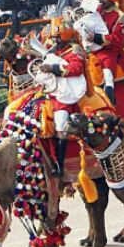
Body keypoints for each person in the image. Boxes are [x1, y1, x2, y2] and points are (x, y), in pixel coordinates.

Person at [38, 17, 89, 177]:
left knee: (60, 123)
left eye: (58, 38)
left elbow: (76, 68)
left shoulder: (76, 50)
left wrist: (52, 68)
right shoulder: (52, 48)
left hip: (65, 94)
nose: (55, 41)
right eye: (54, 38)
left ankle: (58, 163)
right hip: (49, 89)